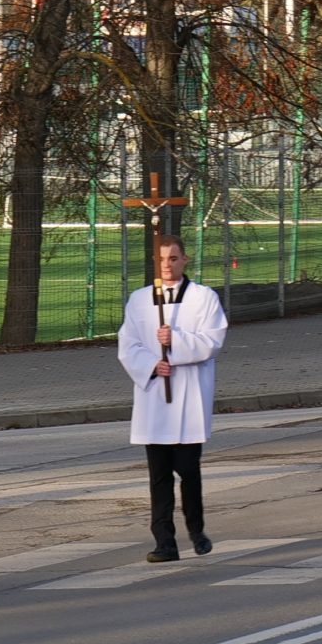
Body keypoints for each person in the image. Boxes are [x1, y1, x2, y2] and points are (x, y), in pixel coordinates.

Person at [116, 238, 226, 562]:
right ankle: (164, 541)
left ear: (184, 260)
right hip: (155, 400)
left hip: (188, 397)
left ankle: (196, 529)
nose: (167, 264)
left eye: (173, 258)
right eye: (162, 259)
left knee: (188, 471)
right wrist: (152, 365)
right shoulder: (139, 301)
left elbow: (212, 340)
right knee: (159, 477)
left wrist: (174, 343)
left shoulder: (203, 298)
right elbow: (128, 345)